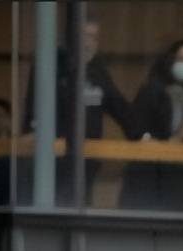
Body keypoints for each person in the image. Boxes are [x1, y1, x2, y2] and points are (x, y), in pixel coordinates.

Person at [21, 14, 132, 203]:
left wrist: (142, 135)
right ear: (70, 39)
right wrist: (32, 131)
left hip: (85, 162)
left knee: (80, 208)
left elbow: (119, 107)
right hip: (53, 161)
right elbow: (35, 103)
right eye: (84, 36)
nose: (89, 43)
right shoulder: (51, 63)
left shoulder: (97, 70)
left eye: (94, 37)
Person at [119, 39, 183, 213]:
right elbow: (135, 127)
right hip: (151, 177)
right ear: (171, 60)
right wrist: (148, 140)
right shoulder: (151, 90)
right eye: (182, 59)